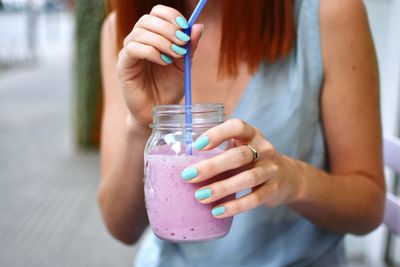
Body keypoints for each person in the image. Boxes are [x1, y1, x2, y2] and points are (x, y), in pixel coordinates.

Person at [98, 0, 385, 266]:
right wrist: (141, 124)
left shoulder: (329, 12)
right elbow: (121, 227)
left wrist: (293, 180)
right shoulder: (129, 32)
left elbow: (369, 207)